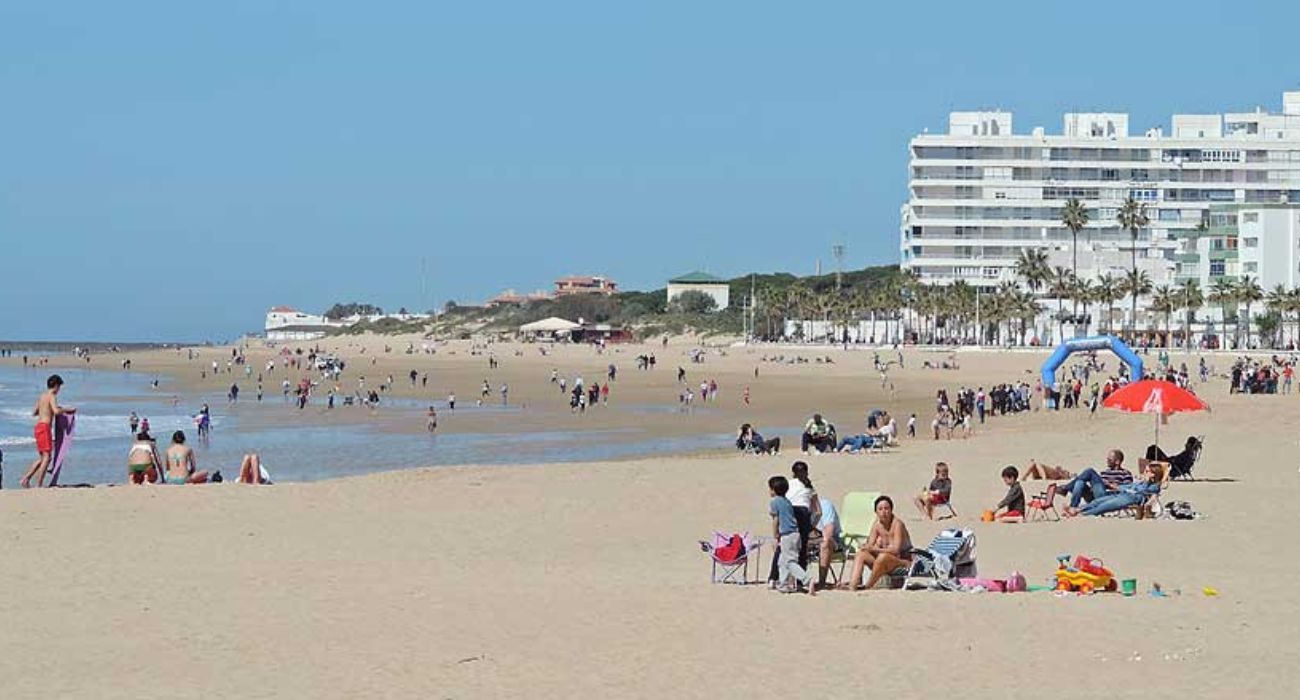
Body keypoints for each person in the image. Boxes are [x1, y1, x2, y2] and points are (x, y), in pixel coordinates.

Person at [841, 495, 912, 591]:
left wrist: (875, 548)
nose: (884, 512)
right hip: (883, 562)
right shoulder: (877, 525)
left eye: (886, 508)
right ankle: (852, 586)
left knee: (883, 556)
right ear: (876, 512)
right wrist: (866, 547)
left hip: (903, 562)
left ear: (891, 510)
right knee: (861, 555)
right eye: (880, 509)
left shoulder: (897, 525)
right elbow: (870, 545)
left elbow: (896, 550)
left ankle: (868, 586)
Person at [21, 374, 76, 488]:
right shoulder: (52, 396)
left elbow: (34, 412)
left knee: (43, 457)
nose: (59, 390)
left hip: (38, 427)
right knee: (47, 457)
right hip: (45, 427)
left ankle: (26, 479)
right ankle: (39, 484)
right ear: (56, 386)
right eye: (59, 387)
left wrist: (46, 410)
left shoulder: (42, 396)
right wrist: (67, 409)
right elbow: (56, 411)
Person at [767, 475, 814, 595]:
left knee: (790, 562)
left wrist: (775, 536)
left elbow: (775, 520)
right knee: (782, 561)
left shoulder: (775, 502)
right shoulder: (786, 501)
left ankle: (807, 579)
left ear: (773, 489)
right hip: (795, 534)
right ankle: (783, 584)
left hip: (787, 535)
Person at [1065, 463, 1164, 517]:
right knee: (1098, 501)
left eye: (1147, 471)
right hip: (1121, 494)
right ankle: (1077, 510)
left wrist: (1146, 483)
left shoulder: (1154, 485)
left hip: (1133, 498)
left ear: (1153, 474)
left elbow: (1150, 494)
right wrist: (1115, 487)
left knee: (1105, 506)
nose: (1144, 472)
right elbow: (1128, 486)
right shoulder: (1141, 482)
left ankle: (1082, 514)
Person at [1059, 449, 1132, 508]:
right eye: (1107, 459)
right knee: (1080, 483)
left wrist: (1109, 485)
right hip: (1094, 495)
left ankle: (1066, 488)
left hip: (1107, 497)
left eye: (1109, 460)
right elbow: (1098, 486)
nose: (1107, 461)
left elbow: (1127, 490)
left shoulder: (1125, 473)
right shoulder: (1105, 472)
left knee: (1090, 471)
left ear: (1117, 462)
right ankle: (1073, 507)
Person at [809, 494, 841, 590]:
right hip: (810, 540)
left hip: (831, 541)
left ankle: (821, 583)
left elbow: (829, 532)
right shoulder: (798, 507)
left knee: (825, 543)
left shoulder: (824, 505)